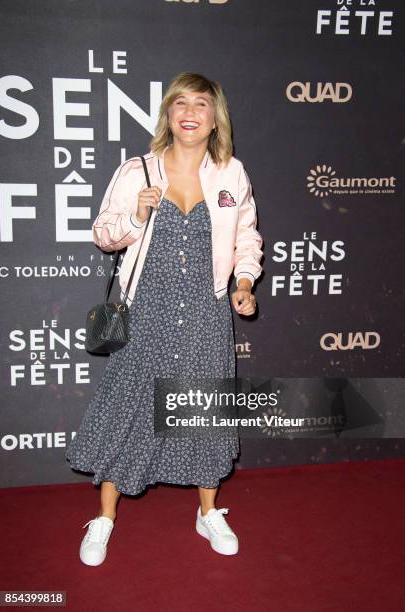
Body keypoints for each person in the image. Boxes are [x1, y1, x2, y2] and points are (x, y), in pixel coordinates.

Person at [65, 71, 264, 565]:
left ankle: (208, 513)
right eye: (181, 104)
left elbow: (247, 237)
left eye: (201, 103)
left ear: (215, 116)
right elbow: (103, 234)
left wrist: (243, 283)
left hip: (205, 311)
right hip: (147, 309)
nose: (191, 113)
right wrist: (135, 216)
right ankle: (105, 519)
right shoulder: (138, 170)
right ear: (168, 116)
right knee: (127, 409)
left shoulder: (231, 173)